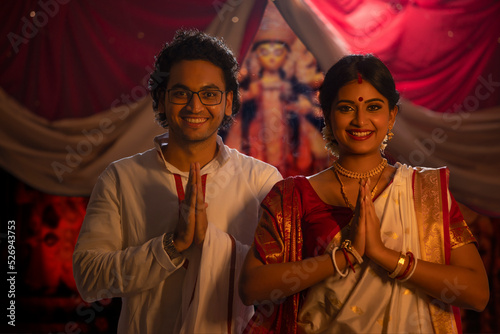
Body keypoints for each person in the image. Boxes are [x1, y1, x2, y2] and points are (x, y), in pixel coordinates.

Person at [238, 54, 489, 333]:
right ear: (327, 113)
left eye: (374, 107)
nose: (360, 120)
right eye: (346, 108)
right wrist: (342, 258)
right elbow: (251, 288)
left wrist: (384, 255)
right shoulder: (292, 196)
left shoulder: (425, 192)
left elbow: (477, 294)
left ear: (391, 115)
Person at [72, 29, 282, 334]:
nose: (195, 107)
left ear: (228, 102)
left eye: (209, 94)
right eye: (181, 93)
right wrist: (172, 246)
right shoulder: (122, 178)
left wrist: (212, 244)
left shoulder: (262, 180)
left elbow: (277, 281)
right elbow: (89, 278)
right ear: (161, 101)